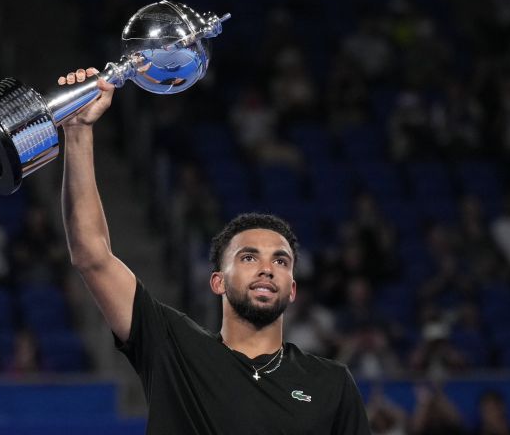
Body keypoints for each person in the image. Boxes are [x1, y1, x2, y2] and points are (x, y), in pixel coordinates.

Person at [58, 67, 371, 434]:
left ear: (293, 289)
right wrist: (78, 132)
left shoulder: (331, 384)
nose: (267, 268)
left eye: (281, 261)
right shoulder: (173, 347)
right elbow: (92, 257)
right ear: (218, 282)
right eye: (249, 257)